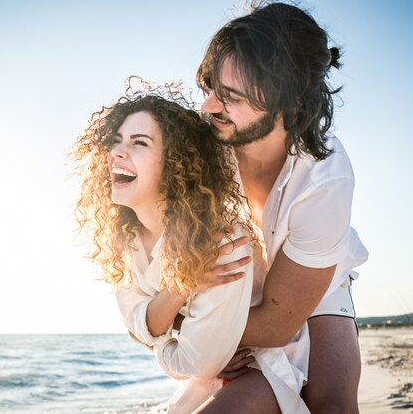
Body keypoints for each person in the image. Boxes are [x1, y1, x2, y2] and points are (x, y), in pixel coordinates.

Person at [71, 80, 310, 413]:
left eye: (139, 142)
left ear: (174, 163)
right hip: (207, 377)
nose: (117, 152)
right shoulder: (126, 242)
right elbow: (136, 324)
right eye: (116, 141)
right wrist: (178, 292)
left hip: (260, 367)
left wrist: (156, 332)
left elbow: (194, 360)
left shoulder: (221, 240)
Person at [190, 0, 369, 413]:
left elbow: (275, 324)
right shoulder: (197, 151)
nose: (208, 107)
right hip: (234, 292)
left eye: (230, 96)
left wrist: (209, 339)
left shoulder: (325, 179)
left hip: (316, 282)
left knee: (333, 402)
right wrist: (197, 339)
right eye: (208, 88)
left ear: (291, 104)